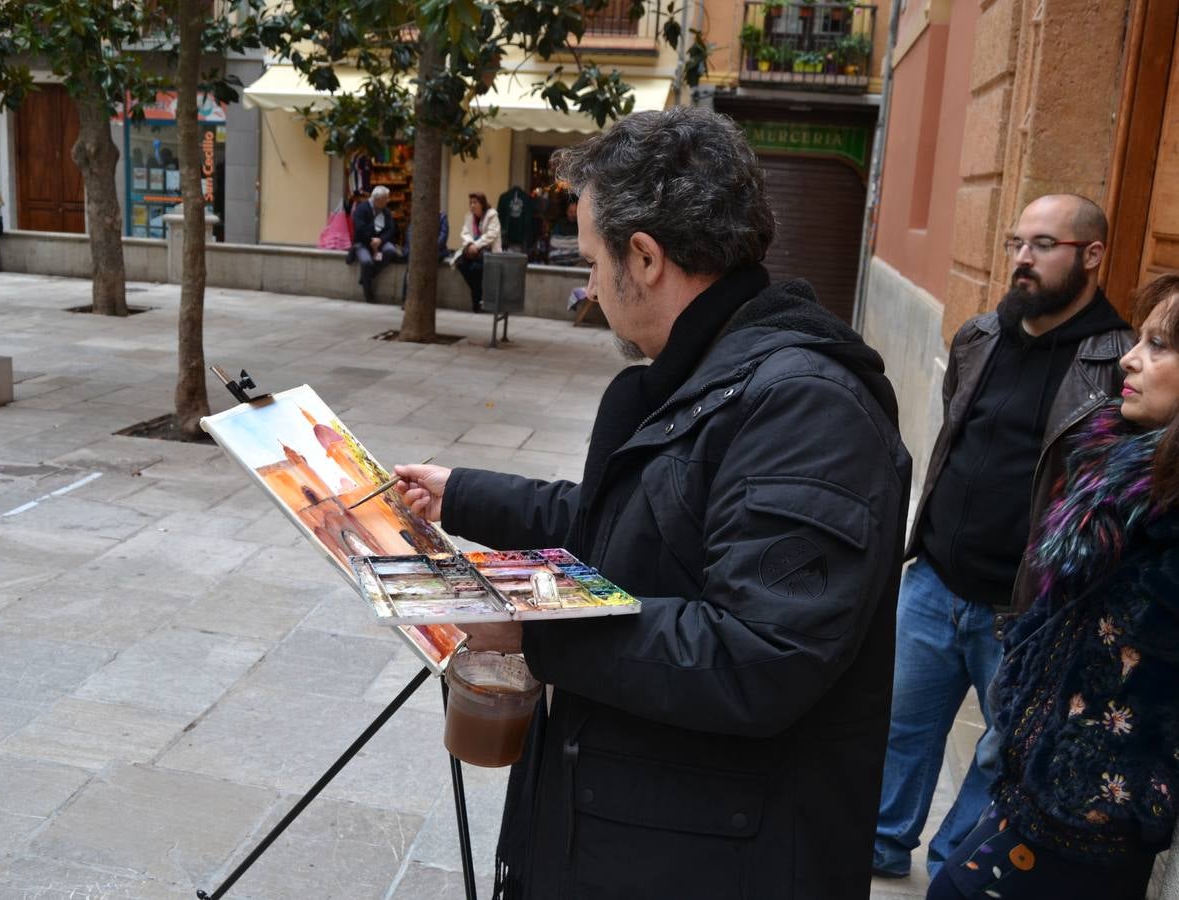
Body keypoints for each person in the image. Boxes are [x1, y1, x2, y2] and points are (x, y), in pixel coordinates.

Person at [394, 106, 912, 899]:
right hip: (639, 826)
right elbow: (635, 526)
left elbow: (758, 655)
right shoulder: (704, 368)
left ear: (646, 256)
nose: (590, 286)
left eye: (595, 259)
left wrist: (538, 632)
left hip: (709, 857)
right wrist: (463, 494)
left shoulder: (806, 407)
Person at [872, 194, 1134, 880]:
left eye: (1044, 245)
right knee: (899, 731)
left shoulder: (1117, 364)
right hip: (932, 581)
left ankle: (955, 865)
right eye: (1017, 241)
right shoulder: (981, 335)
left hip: (1021, 609)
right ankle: (880, 847)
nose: (1022, 257)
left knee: (1000, 755)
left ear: (1092, 256)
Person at [926, 274, 1179, 899]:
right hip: (1036, 781)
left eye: (1160, 345)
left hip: (1093, 809)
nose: (1131, 357)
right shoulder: (1125, 468)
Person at [449, 192, 502, 312]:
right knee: (460, 262)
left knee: (475, 269)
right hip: (473, 251)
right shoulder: (469, 216)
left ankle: (477, 302)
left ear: (482, 204)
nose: (472, 205)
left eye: (475, 202)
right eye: (470, 203)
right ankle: (478, 295)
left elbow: (492, 235)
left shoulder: (492, 215)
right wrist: (470, 244)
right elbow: (465, 233)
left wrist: (476, 245)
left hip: (488, 251)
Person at [349, 185, 401, 303]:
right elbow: (359, 229)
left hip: (381, 242)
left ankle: (365, 277)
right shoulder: (361, 209)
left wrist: (380, 240)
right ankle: (369, 294)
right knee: (366, 262)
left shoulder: (386, 211)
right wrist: (371, 241)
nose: (388, 201)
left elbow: (391, 229)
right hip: (363, 243)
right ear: (378, 199)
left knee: (391, 251)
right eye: (386, 198)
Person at [546, 195, 581, 266]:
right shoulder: (560, 224)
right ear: (566, 212)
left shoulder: (581, 225)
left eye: (575, 212)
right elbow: (554, 243)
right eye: (571, 212)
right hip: (558, 264)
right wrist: (573, 246)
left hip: (577, 266)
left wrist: (565, 246)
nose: (573, 214)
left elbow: (584, 247)